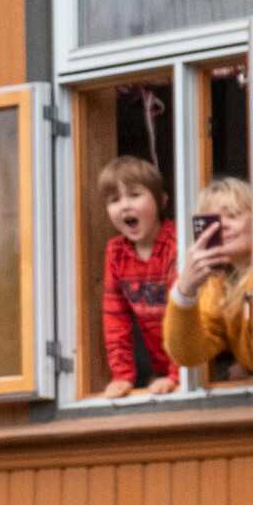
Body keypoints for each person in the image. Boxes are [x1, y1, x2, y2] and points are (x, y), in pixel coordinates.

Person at [165, 176, 253, 386]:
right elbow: (188, 354)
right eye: (212, 221)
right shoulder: (219, 286)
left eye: (232, 215)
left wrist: (250, 372)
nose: (222, 226)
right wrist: (185, 290)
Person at [92, 155, 178, 398]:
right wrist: (122, 375)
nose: (125, 206)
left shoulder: (177, 243)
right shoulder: (116, 253)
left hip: (199, 364)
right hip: (162, 369)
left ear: (162, 200)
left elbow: (187, 314)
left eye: (134, 195)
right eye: (114, 200)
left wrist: (178, 375)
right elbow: (115, 319)